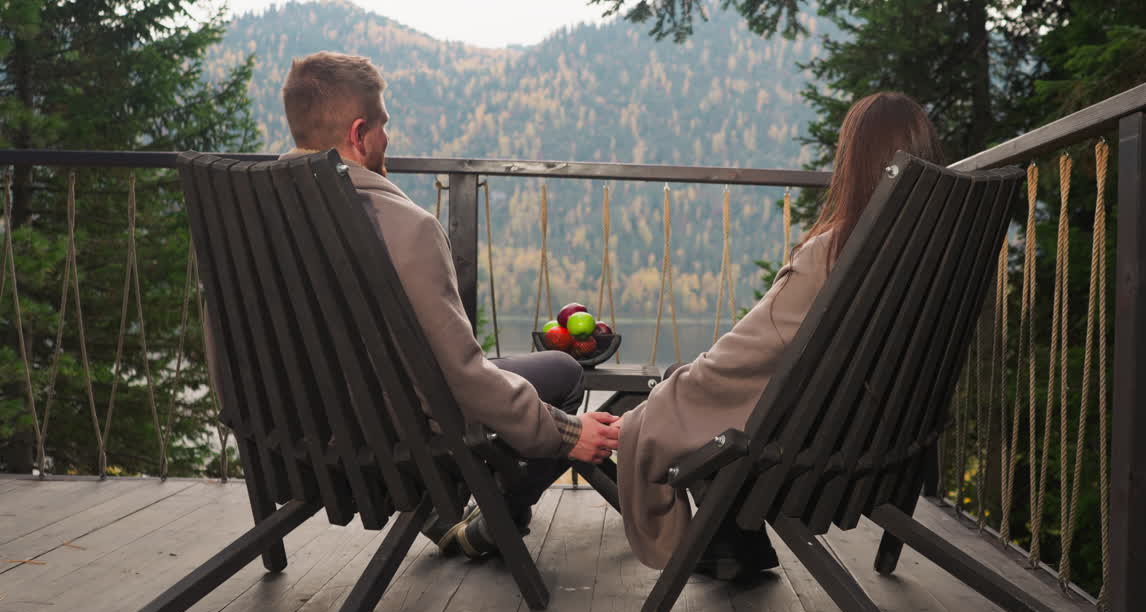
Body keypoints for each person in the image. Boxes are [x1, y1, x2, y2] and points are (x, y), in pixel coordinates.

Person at [207, 51, 620, 558]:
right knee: (562, 371)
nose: (387, 139)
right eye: (384, 126)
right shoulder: (402, 226)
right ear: (360, 135)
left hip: (284, 441)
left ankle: (482, 515)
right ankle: (493, 522)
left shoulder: (241, 218)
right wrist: (563, 432)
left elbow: (226, 350)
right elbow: (458, 378)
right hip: (388, 449)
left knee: (504, 378)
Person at [614, 92, 945, 579]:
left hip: (816, 462)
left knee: (674, 396)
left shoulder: (836, 258)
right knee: (691, 392)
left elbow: (742, 355)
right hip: (885, 444)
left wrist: (651, 409)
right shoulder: (938, 258)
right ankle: (734, 545)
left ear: (852, 164)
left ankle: (721, 541)